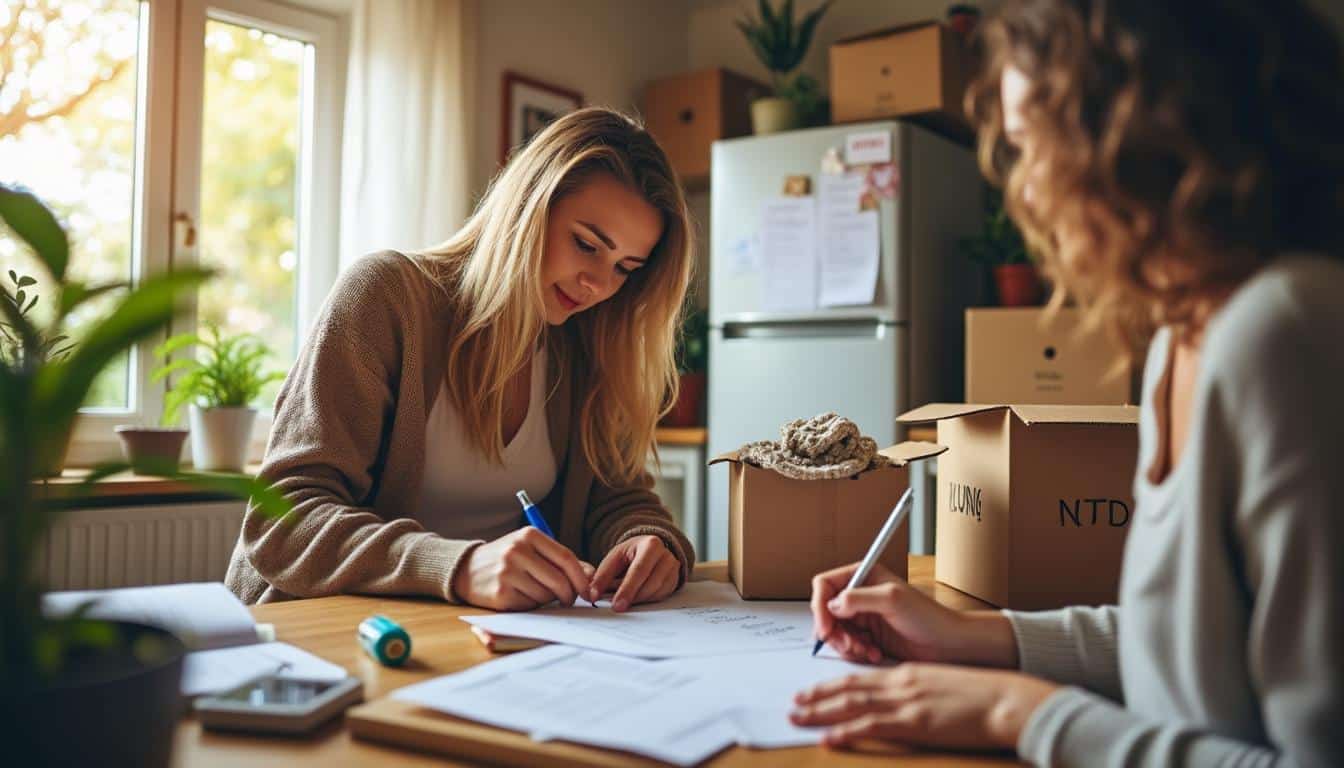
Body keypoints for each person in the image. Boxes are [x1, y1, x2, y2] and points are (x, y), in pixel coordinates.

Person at [790, 1, 1344, 764]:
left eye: (1031, 143)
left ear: (1140, 131)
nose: (1028, 188)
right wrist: (976, 635)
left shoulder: (1287, 331)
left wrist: (1020, 716)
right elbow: (1182, 645)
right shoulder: (1184, 340)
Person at [225, 108, 697, 613]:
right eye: (585, 244)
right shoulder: (385, 298)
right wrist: (460, 566)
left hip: (486, 640)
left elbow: (618, 496)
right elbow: (284, 522)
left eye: (626, 267)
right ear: (526, 209)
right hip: (329, 633)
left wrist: (650, 542)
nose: (600, 285)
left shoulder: (584, 343)